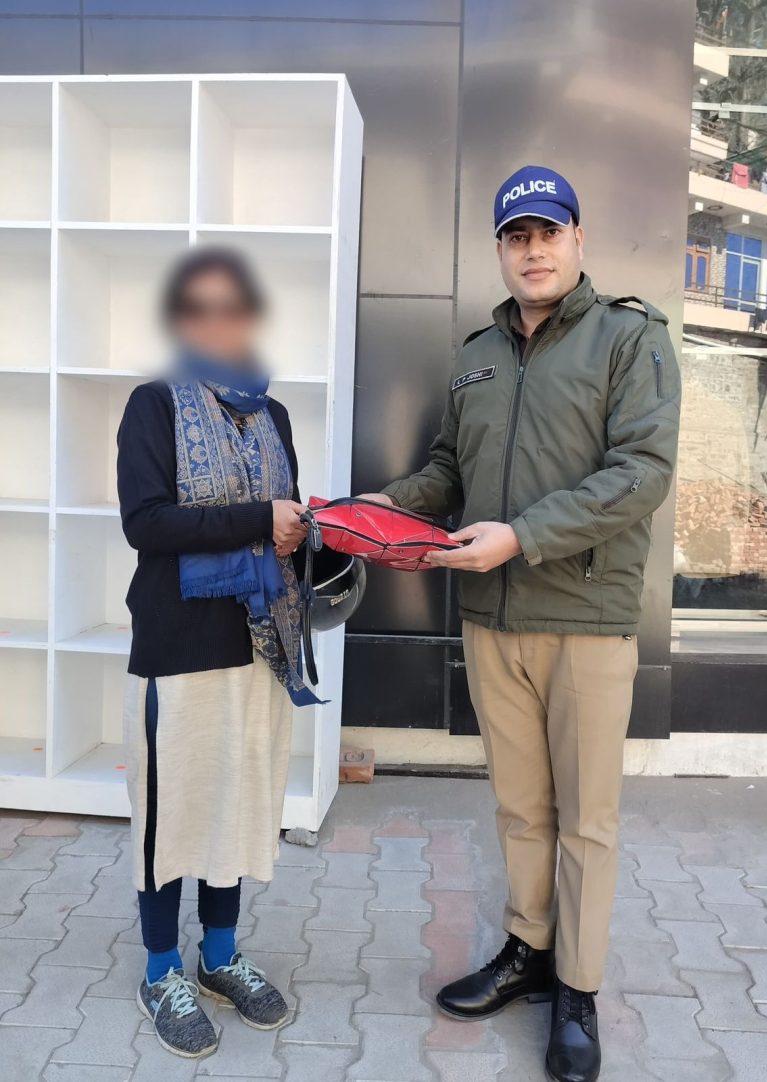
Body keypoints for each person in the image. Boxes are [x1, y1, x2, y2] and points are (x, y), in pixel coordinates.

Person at [361, 165, 681, 1082]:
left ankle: (576, 990)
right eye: (516, 236)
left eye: (548, 232)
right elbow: (448, 473)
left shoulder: (630, 338)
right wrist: (382, 509)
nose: (533, 250)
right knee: (520, 807)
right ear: (500, 249)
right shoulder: (477, 354)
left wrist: (523, 537)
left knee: (586, 820)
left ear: (578, 239)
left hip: (584, 618)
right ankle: (528, 950)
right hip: (492, 619)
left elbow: (641, 473)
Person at [117, 247, 313, 1059]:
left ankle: (220, 956)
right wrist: (260, 519)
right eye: (198, 308)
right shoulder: (154, 405)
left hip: (257, 643)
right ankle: (162, 969)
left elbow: (287, 519)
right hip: (176, 646)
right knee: (172, 815)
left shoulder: (275, 414)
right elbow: (146, 523)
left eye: (232, 307)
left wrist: (315, 528)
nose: (216, 322)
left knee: (233, 804)